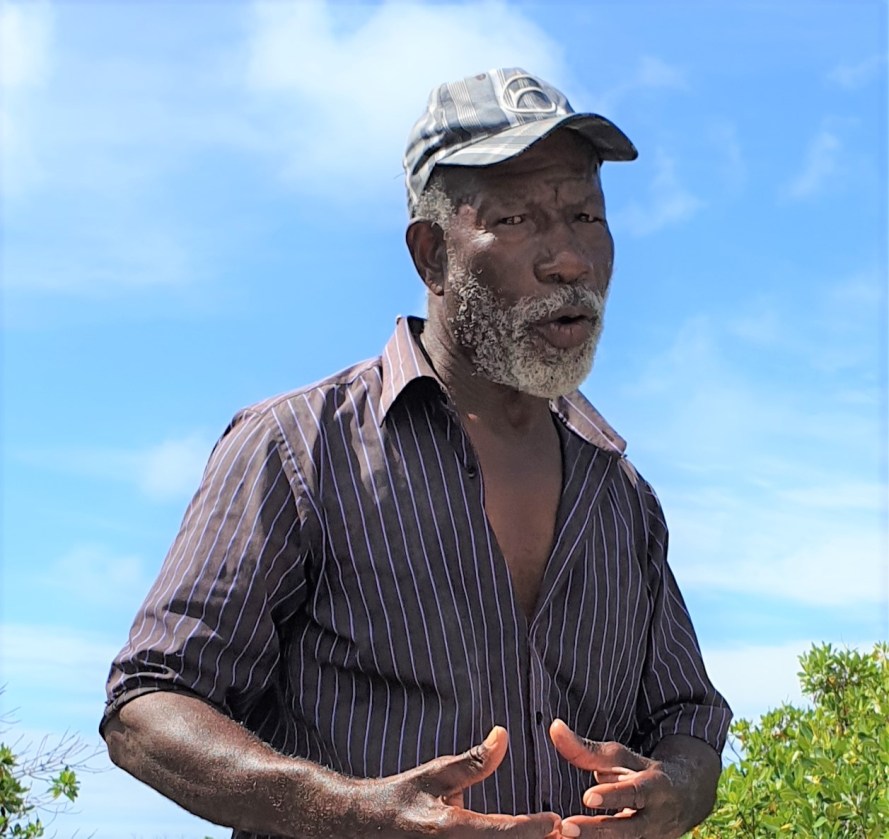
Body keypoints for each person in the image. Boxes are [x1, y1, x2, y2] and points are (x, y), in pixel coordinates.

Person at [101, 68, 732, 839]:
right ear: (431, 254)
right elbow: (147, 707)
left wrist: (674, 788)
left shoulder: (620, 493)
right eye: (516, 219)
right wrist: (348, 812)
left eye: (584, 216)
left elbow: (687, 716)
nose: (568, 259)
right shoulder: (297, 448)